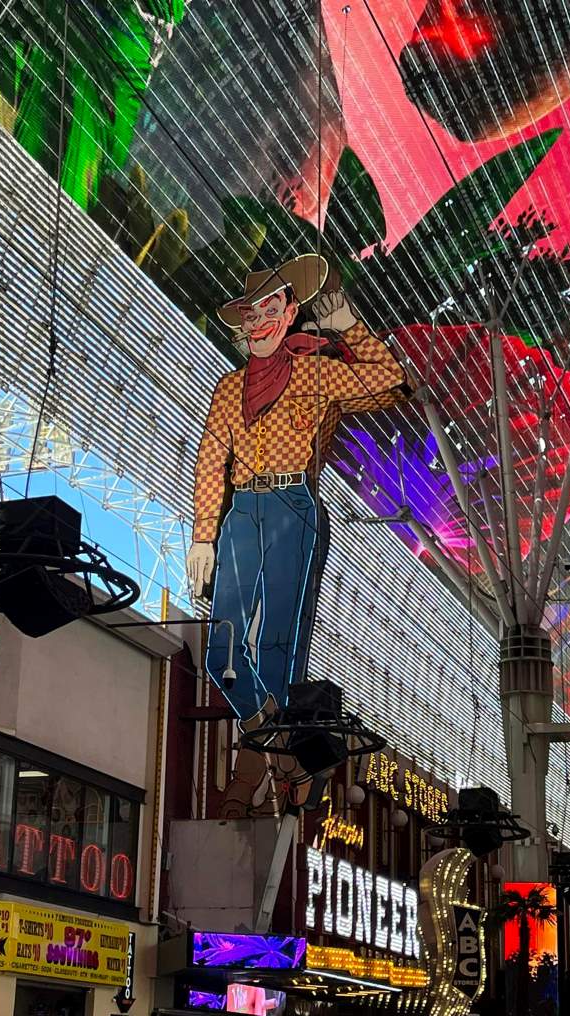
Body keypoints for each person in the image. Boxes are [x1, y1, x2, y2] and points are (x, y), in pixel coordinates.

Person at [187, 253, 404, 816]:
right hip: (241, 513)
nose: (257, 322)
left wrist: (348, 327)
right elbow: (212, 462)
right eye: (248, 314)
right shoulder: (228, 389)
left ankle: (253, 773)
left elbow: (391, 381)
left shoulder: (315, 371)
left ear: (287, 314)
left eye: (268, 309)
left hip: (293, 506)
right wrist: (203, 536)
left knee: (280, 648)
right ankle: (279, 757)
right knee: (222, 651)